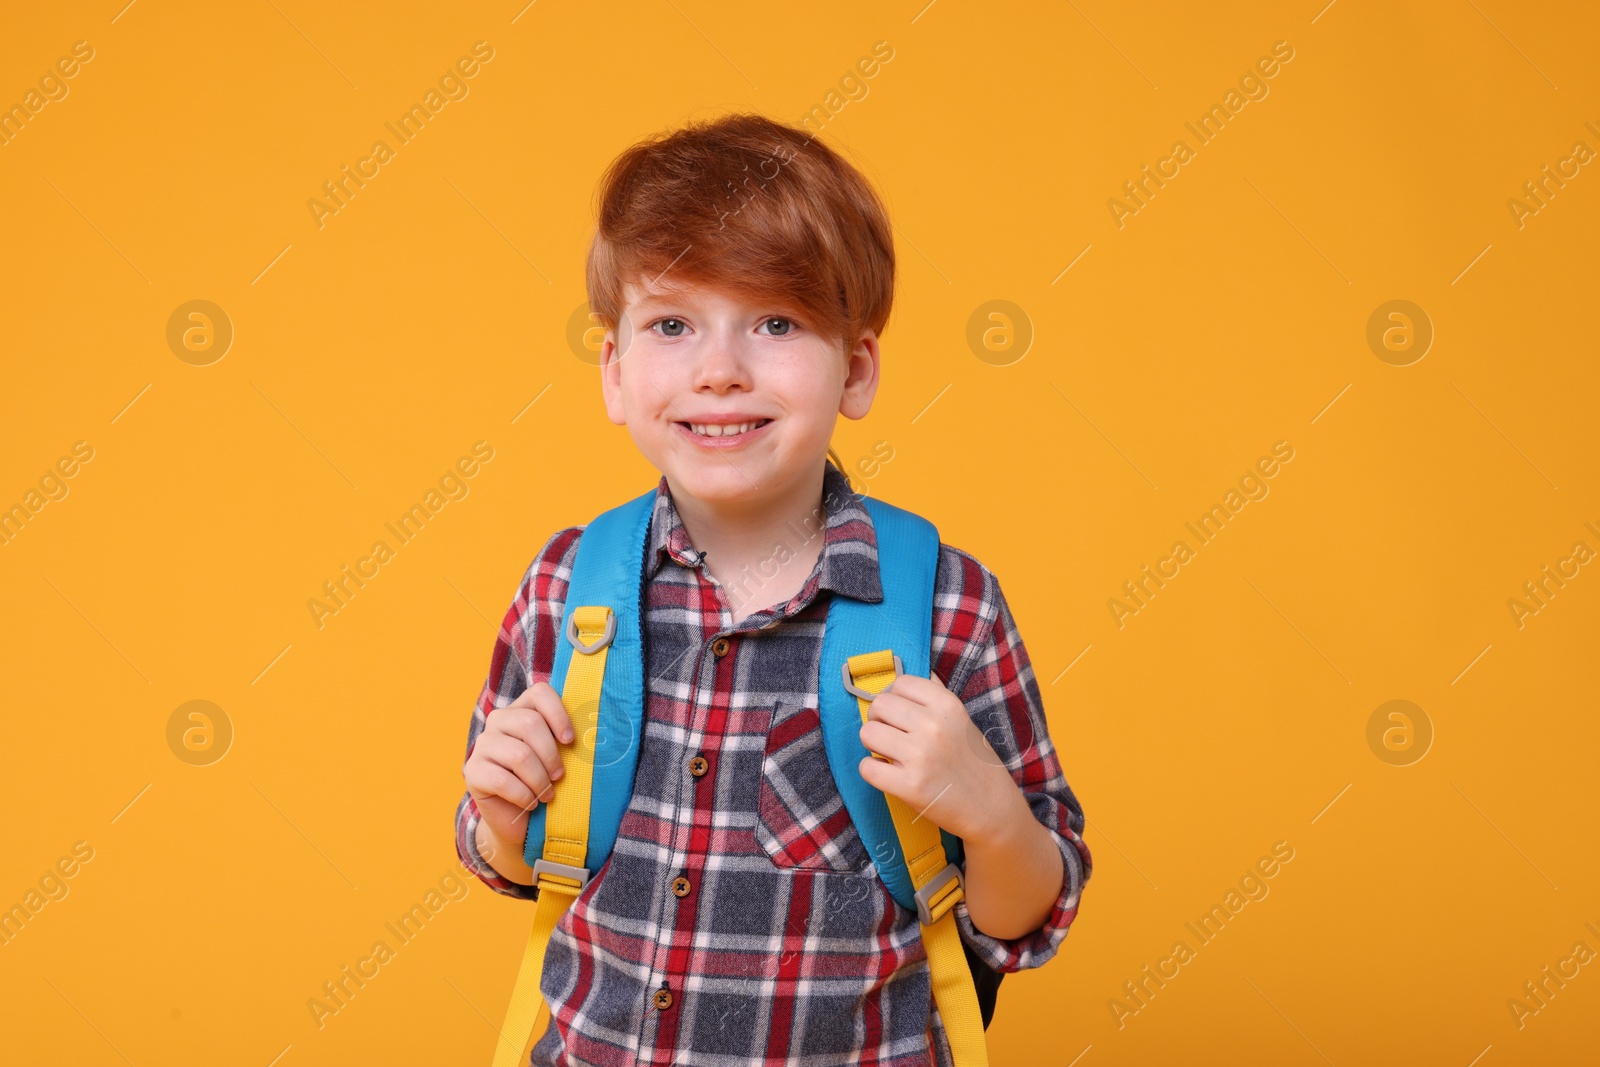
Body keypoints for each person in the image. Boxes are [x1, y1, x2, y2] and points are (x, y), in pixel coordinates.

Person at [454, 111, 1092, 1066]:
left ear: (858, 369)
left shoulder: (945, 607)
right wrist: (504, 818)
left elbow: (1026, 917)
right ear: (616, 374)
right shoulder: (566, 587)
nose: (719, 370)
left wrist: (992, 817)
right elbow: (511, 859)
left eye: (777, 322)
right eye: (672, 324)